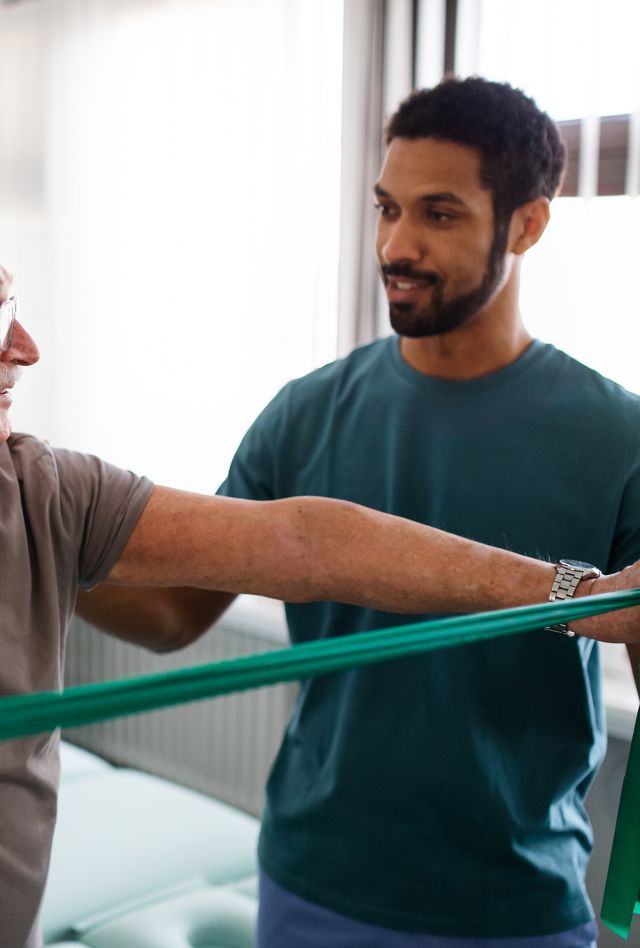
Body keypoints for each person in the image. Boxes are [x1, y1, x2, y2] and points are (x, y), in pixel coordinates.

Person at [76, 79, 640, 947]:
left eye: (439, 215)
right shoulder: (306, 411)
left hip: (516, 905)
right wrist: (35, 540)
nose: (396, 244)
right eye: (386, 208)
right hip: (314, 883)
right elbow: (167, 613)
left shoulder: (620, 437)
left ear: (528, 224)